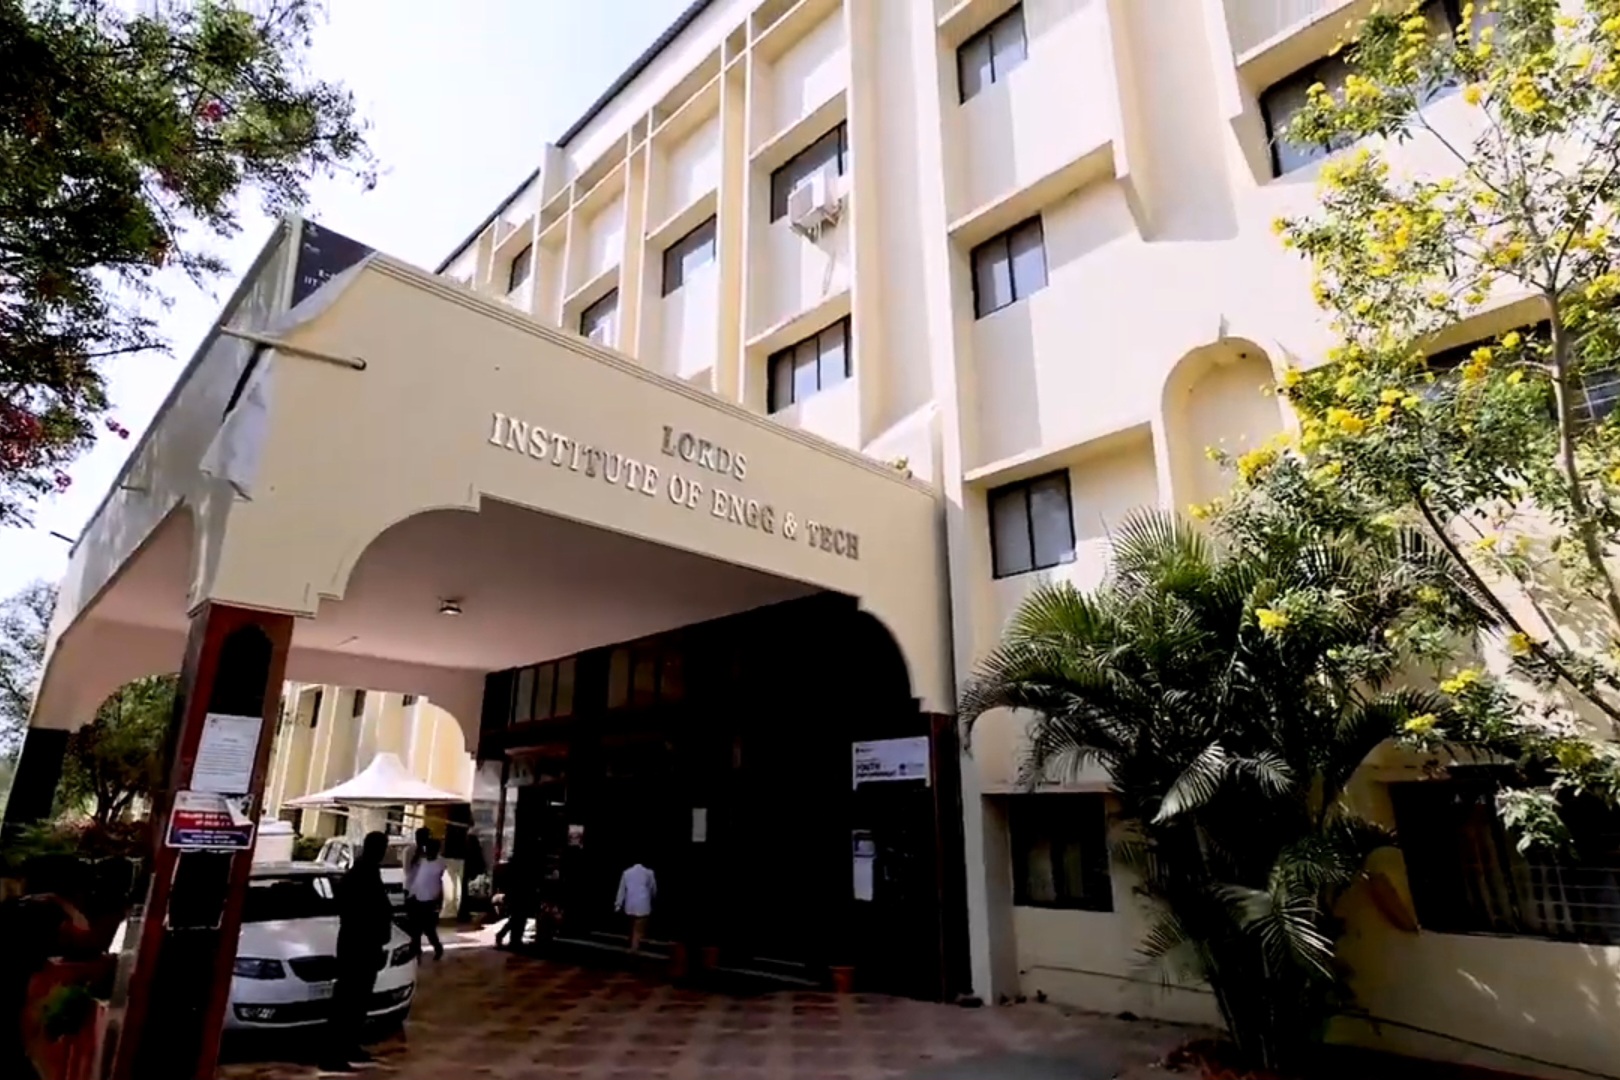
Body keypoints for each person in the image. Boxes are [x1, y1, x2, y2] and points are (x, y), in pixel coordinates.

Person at [319, 832, 394, 1075]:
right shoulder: (360, 874)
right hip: (357, 946)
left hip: (365, 945)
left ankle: (349, 1046)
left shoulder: (368, 871)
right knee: (348, 1002)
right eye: (382, 847)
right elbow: (355, 908)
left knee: (358, 1001)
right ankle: (332, 1054)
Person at [404, 838, 445, 961]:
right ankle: (417, 950)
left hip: (428, 899)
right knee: (416, 928)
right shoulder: (422, 861)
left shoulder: (439, 863)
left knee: (428, 929)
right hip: (416, 896)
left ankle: (437, 948)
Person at [614, 857, 657, 953]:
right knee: (639, 930)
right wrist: (652, 898)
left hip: (630, 906)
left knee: (633, 929)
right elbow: (653, 889)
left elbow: (621, 890)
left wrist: (618, 904)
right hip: (643, 906)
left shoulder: (626, 872)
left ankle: (633, 947)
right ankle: (634, 950)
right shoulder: (649, 873)